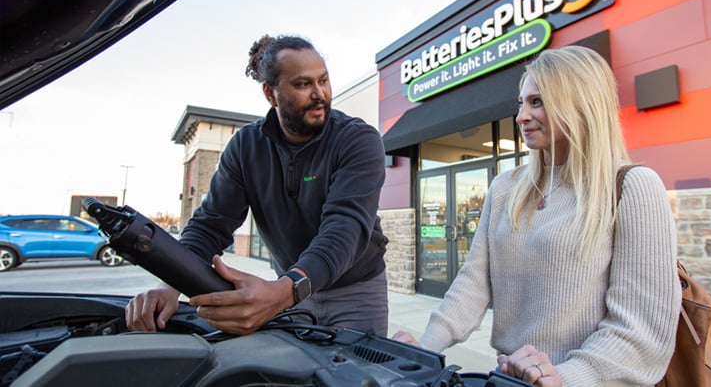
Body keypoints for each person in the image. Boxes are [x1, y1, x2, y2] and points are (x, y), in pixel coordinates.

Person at [392, 46, 681, 386]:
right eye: (521, 103)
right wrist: (425, 348)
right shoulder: (505, 188)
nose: (521, 116)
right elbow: (473, 283)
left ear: (581, 104)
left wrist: (562, 378)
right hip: (508, 379)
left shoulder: (631, 187)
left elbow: (641, 332)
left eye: (538, 101)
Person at [126, 34, 389, 336]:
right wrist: (170, 283)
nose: (320, 94)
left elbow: (345, 226)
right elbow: (211, 225)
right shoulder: (245, 147)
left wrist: (284, 291)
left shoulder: (357, 139)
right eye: (304, 84)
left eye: (324, 80)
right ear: (271, 93)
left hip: (355, 290)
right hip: (286, 289)